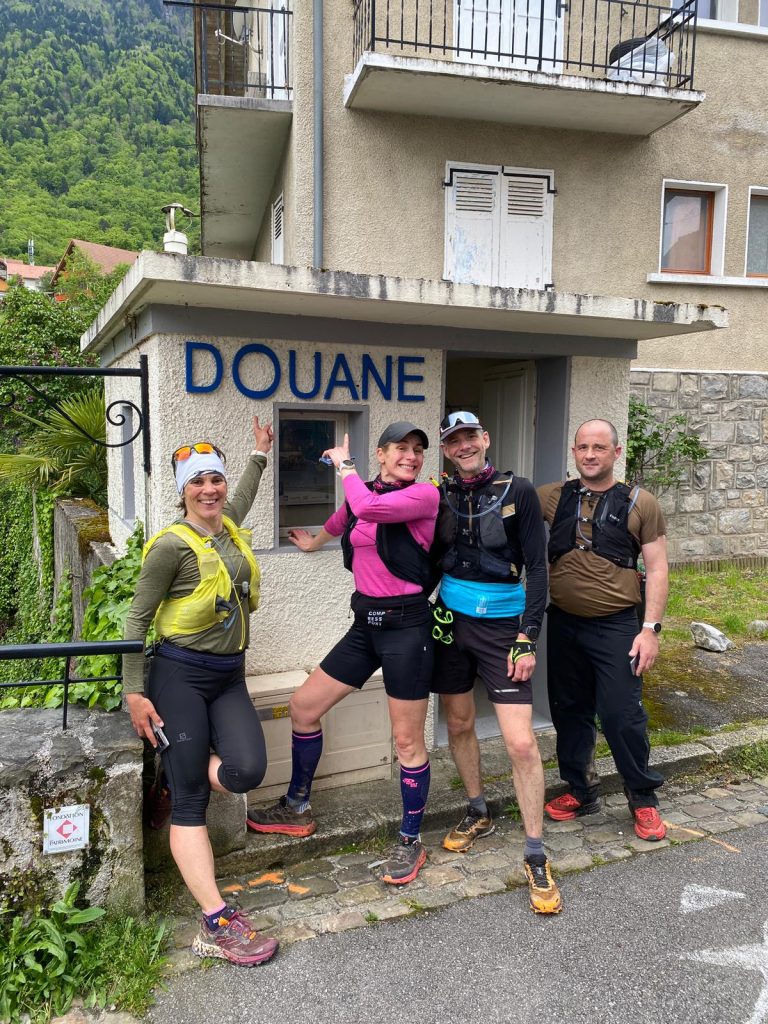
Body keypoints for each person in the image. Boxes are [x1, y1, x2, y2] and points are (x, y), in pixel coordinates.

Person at [247, 421, 439, 886]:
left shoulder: (424, 497)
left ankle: (411, 840)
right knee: (303, 707)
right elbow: (345, 520)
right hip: (365, 627)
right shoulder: (363, 494)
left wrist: (344, 466)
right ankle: (297, 806)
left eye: (417, 450)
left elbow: (368, 506)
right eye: (400, 448)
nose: (410, 456)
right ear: (381, 453)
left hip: (407, 629)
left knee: (407, 743)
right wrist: (312, 542)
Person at [123, 417, 278, 967]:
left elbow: (243, 496)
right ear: (182, 490)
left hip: (228, 675)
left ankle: (176, 762)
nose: (210, 490)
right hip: (178, 674)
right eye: (198, 482)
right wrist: (134, 693)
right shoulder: (170, 547)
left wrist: (259, 453)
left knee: (247, 772)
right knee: (192, 796)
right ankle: (215, 921)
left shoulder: (227, 524)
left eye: (215, 478)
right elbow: (134, 620)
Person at [430, 411, 561, 915]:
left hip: (503, 628)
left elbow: (538, 569)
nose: (463, 446)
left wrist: (527, 637)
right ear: (446, 449)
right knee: (459, 723)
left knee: (521, 741)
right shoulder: (438, 493)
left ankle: (534, 850)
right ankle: (478, 810)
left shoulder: (517, 490)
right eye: (453, 440)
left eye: (470, 437)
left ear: (485, 439)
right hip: (448, 624)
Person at [538, 418, 669, 842]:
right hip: (562, 623)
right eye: (582, 447)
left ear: (616, 452)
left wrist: (649, 630)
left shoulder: (640, 503)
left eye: (599, 447)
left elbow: (658, 568)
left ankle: (643, 797)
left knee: (620, 714)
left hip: (616, 626)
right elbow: (501, 496)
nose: (590, 455)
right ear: (574, 453)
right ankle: (582, 789)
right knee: (569, 709)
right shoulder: (554, 497)